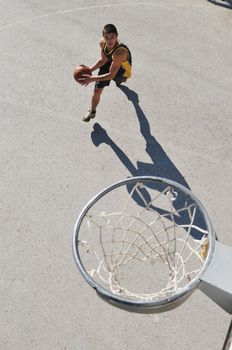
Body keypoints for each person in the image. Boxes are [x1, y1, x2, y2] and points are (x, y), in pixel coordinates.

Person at [78, 24, 132, 122]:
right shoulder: (103, 43)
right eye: (107, 37)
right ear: (103, 36)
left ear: (117, 36)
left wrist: (91, 79)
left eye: (112, 37)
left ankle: (120, 83)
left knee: (119, 81)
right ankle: (92, 111)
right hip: (109, 63)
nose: (110, 40)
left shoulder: (120, 52)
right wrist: (88, 71)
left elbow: (111, 75)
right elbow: (103, 60)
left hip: (121, 70)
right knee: (97, 91)